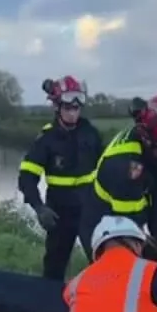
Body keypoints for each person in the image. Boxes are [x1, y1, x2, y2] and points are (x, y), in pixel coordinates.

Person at [79, 90, 157, 263]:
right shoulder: (126, 167)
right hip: (103, 227)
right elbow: (129, 230)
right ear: (149, 141)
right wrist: (151, 258)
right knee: (120, 277)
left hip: (125, 219)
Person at [18, 75, 103, 280]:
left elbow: (107, 171)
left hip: (89, 210)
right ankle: (49, 306)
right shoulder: (46, 140)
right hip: (59, 214)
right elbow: (27, 178)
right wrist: (39, 207)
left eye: (77, 107)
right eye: (68, 107)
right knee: (54, 267)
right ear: (57, 107)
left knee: (103, 263)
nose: (73, 111)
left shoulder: (91, 134)